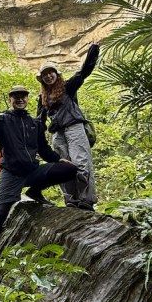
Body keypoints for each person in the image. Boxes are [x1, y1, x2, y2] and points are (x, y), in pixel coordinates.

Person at [0, 85, 78, 251]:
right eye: (16, 96)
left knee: (69, 170)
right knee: (1, 212)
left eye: (23, 96)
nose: (20, 99)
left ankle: (34, 191)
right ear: (11, 100)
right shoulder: (3, 120)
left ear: (27, 99)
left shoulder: (34, 123)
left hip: (32, 171)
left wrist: (60, 160)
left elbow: (44, 150)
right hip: (11, 173)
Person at [36, 43, 100, 212]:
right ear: (41, 78)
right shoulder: (42, 98)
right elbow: (39, 122)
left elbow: (84, 71)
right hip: (57, 134)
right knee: (64, 167)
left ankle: (86, 200)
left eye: (51, 72)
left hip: (74, 127)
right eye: (45, 74)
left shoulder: (68, 87)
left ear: (56, 74)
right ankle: (71, 200)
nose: (48, 76)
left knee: (81, 162)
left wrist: (93, 50)